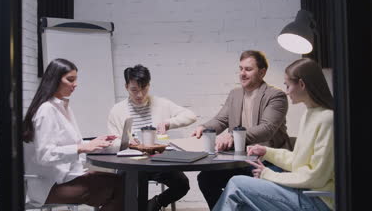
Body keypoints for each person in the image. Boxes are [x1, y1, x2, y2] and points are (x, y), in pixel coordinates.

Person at [213, 58, 334, 211]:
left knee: (236, 183)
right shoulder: (309, 114)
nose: (287, 91)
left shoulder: (327, 119)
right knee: (243, 207)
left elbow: (316, 177)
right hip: (304, 193)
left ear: (302, 84)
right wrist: (266, 152)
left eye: (288, 85)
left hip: (317, 200)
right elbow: (298, 161)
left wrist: (268, 174)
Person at [191, 50, 292, 209]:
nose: (242, 74)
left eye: (248, 69)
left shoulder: (276, 96)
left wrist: (232, 136)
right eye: (241, 69)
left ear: (262, 72)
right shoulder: (235, 94)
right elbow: (221, 119)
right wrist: (204, 127)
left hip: (268, 161)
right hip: (239, 161)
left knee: (246, 188)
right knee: (206, 179)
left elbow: (267, 128)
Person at [23, 58, 123, 211]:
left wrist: (93, 143)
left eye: (75, 80)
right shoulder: (46, 110)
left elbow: (70, 144)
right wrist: (82, 148)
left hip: (67, 177)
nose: (75, 84)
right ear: (55, 80)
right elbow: (45, 155)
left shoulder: (63, 107)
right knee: (121, 187)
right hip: (51, 186)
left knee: (123, 183)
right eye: (70, 80)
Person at [107, 64, 197, 211]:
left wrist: (168, 123)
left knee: (182, 184)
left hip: (158, 160)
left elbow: (191, 116)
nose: (140, 95)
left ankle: (154, 204)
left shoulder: (161, 104)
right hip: (130, 163)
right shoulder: (117, 111)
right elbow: (112, 141)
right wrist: (126, 142)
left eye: (144, 88)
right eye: (134, 90)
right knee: (122, 190)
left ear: (149, 85)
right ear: (126, 87)